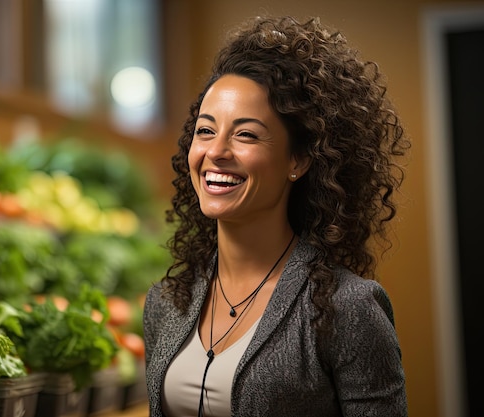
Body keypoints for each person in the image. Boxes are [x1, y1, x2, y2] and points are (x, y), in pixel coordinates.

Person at [142, 15, 410, 417]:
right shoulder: (166, 302)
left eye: (246, 134)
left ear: (298, 160)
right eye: (205, 130)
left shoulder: (346, 307)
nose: (216, 151)